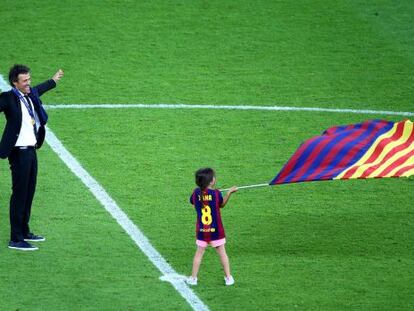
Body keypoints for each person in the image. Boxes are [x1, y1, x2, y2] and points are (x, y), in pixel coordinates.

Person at [0, 64, 64, 251]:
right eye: (25, 80)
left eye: (29, 79)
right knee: (19, 195)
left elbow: (39, 89)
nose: (29, 83)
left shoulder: (29, 94)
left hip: (31, 151)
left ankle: (25, 231)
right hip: (19, 153)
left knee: (29, 193)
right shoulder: (8, 98)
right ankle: (16, 238)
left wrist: (53, 81)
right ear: (15, 83)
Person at [186, 168, 238, 286]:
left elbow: (193, 201)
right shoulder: (216, 194)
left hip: (202, 231)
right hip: (216, 231)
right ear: (211, 181)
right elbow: (221, 204)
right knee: (222, 254)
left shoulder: (196, 192)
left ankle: (193, 278)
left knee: (198, 254)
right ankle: (228, 278)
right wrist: (228, 193)